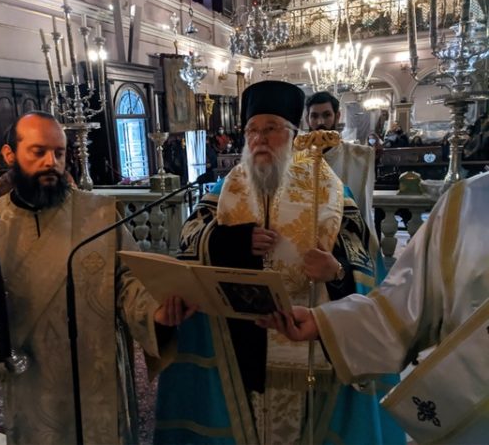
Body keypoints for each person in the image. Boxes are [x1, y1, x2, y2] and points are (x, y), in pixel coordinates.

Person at [152, 81, 404, 444]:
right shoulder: (226, 188)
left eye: (271, 128)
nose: (259, 138)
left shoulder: (329, 190)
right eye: (252, 130)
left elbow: (361, 253)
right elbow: (191, 237)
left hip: (307, 339)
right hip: (239, 341)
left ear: (293, 134)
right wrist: (234, 242)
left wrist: (336, 272)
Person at [0, 111, 188, 444]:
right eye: (38, 151)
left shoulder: (99, 214)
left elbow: (127, 280)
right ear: (10, 154)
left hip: (96, 368)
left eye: (59, 153)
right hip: (31, 375)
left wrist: (154, 311)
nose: (51, 162)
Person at [260, 172, 489, 444]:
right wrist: (323, 321)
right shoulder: (468, 203)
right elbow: (402, 309)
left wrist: (339, 272)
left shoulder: (334, 192)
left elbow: (358, 258)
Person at [306, 91, 376, 232]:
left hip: (347, 234)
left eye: (327, 115)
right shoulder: (297, 157)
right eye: (314, 116)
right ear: (307, 119)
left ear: (337, 117)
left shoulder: (359, 156)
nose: (320, 122)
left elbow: (364, 206)